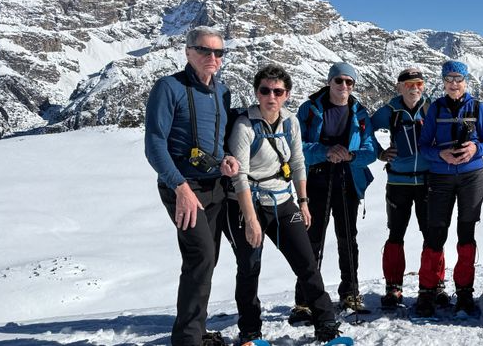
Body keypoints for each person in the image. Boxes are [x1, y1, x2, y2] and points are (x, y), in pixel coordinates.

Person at [224, 64, 342, 343]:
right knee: (249, 267)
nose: (271, 96)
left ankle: (325, 323)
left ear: (287, 94)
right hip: (246, 204)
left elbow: (298, 162)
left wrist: (302, 201)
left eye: (278, 91)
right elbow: (239, 175)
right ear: (257, 92)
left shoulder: (290, 121)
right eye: (265, 90)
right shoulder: (244, 126)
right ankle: (250, 331)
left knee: (306, 262)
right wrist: (251, 219)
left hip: (282, 199)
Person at [144, 26, 239, 346]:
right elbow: (154, 145)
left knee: (206, 259)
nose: (212, 57)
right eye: (204, 51)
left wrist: (226, 158)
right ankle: (188, 339)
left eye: (218, 52)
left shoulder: (222, 91)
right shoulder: (168, 87)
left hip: (214, 186)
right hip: (183, 188)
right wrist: (180, 187)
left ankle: (195, 332)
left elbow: (221, 139)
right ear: (188, 52)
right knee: (201, 256)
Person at [291, 62, 377, 323]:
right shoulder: (309, 110)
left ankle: (350, 293)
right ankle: (305, 300)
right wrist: (325, 151)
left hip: (347, 178)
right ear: (329, 81)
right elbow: (296, 146)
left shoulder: (360, 113)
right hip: (316, 178)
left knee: (347, 238)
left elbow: (370, 150)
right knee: (312, 240)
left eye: (349, 82)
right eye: (339, 81)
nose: (344, 87)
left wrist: (350, 155)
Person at [415, 60, 483, 318]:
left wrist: (475, 149)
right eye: (449, 79)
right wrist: (442, 155)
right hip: (441, 176)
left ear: (465, 81)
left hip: (472, 175)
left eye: (458, 79)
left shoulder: (478, 107)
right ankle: (427, 291)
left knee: (466, 232)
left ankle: (464, 292)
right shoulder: (435, 109)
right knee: (435, 233)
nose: (453, 84)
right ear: (443, 81)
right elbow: (424, 146)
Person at [370, 67, 432, 309]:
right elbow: (364, 129)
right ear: (399, 87)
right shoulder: (390, 111)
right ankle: (393, 287)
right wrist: (379, 153)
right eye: (408, 84)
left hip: (427, 180)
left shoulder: (432, 108)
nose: (414, 88)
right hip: (398, 181)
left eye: (418, 83)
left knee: (431, 234)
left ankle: (432, 285)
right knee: (396, 234)